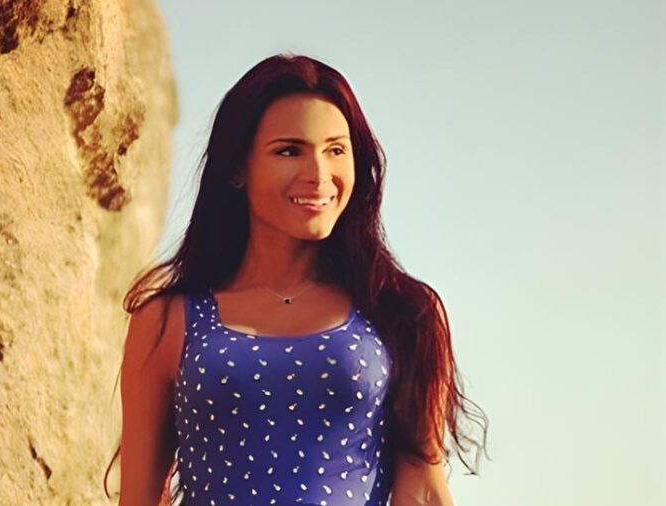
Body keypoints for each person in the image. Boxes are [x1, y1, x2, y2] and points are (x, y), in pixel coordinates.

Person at [104, 53, 489, 506]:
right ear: (236, 169)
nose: (318, 176)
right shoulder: (167, 321)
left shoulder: (402, 311)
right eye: (289, 151)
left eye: (336, 150)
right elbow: (140, 499)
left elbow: (422, 489)